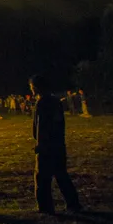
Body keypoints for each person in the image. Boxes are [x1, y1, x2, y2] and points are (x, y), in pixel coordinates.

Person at [29, 75, 82, 214]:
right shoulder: (55, 101)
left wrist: (40, 144)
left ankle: (45, 207)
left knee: (42, 178)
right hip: (58, 144)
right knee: (61, 175)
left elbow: (41, 126)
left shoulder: (42, 103)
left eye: (32, 86)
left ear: (36, 87)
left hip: (47, 146)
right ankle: (73, 203)